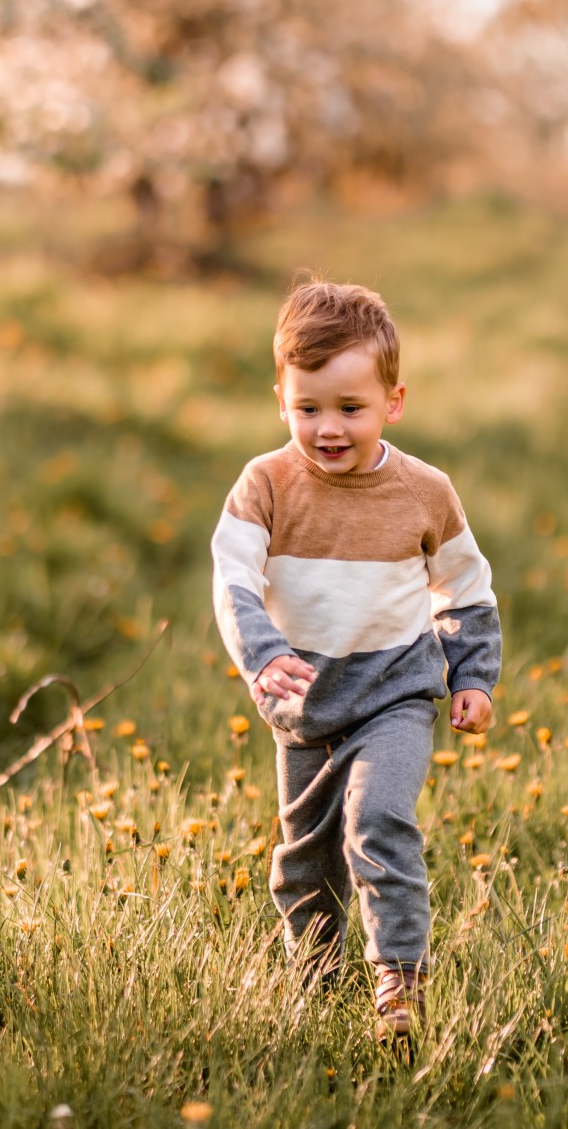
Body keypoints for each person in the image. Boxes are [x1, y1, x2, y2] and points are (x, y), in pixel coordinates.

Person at [210, 278, 501, 1040]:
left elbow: (464, 584)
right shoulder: (266, 485)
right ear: (281, 399)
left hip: (394, 695)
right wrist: (262, 653)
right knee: (306, 859)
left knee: (378, 818)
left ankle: (400, 981)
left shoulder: (424, 492)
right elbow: (233, 578)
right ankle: (314, 974)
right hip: (304, 705)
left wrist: (471, 672)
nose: (329, 428)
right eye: (308, 408)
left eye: (351, 407)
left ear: (393, 402)